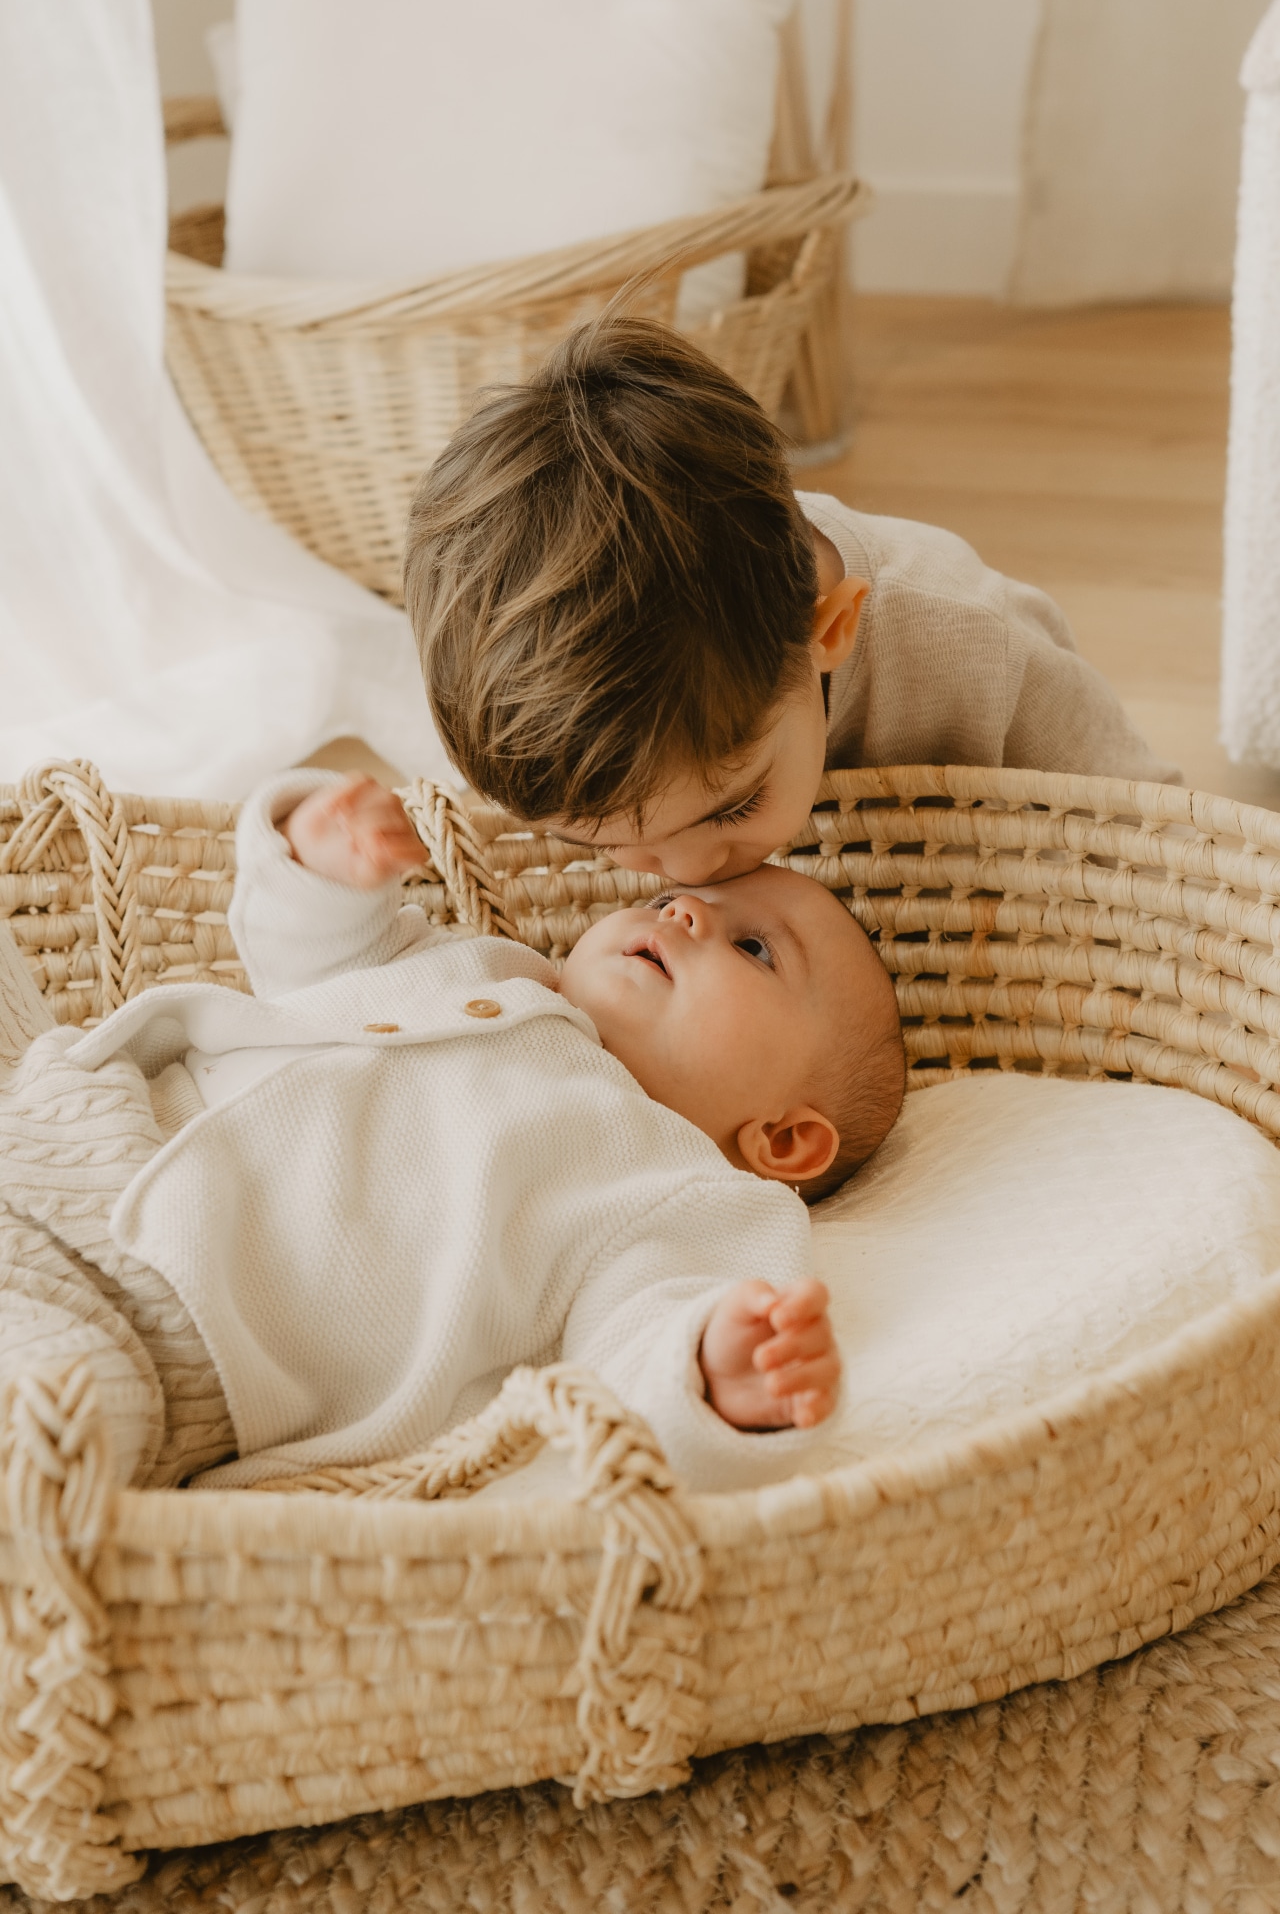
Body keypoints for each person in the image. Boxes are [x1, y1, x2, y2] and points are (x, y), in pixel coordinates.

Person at [0, 770, 905, 1496]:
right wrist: (322, 863)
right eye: (674, 896)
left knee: (46, 1437)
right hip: (74, 1115)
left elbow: (636, 1350)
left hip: (159, 1331)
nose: (685, 911)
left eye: (754, 948)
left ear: (783, 1140)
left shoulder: (680, 1197)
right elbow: (307, 962)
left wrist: (715, 1374)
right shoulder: (477, 968)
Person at [405, 317, 1179, 889]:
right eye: (600, 847)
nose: (686, 877)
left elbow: (1161, 839)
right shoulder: (532, 715)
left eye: (734, 810)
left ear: (830, 630)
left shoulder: (970, 642)